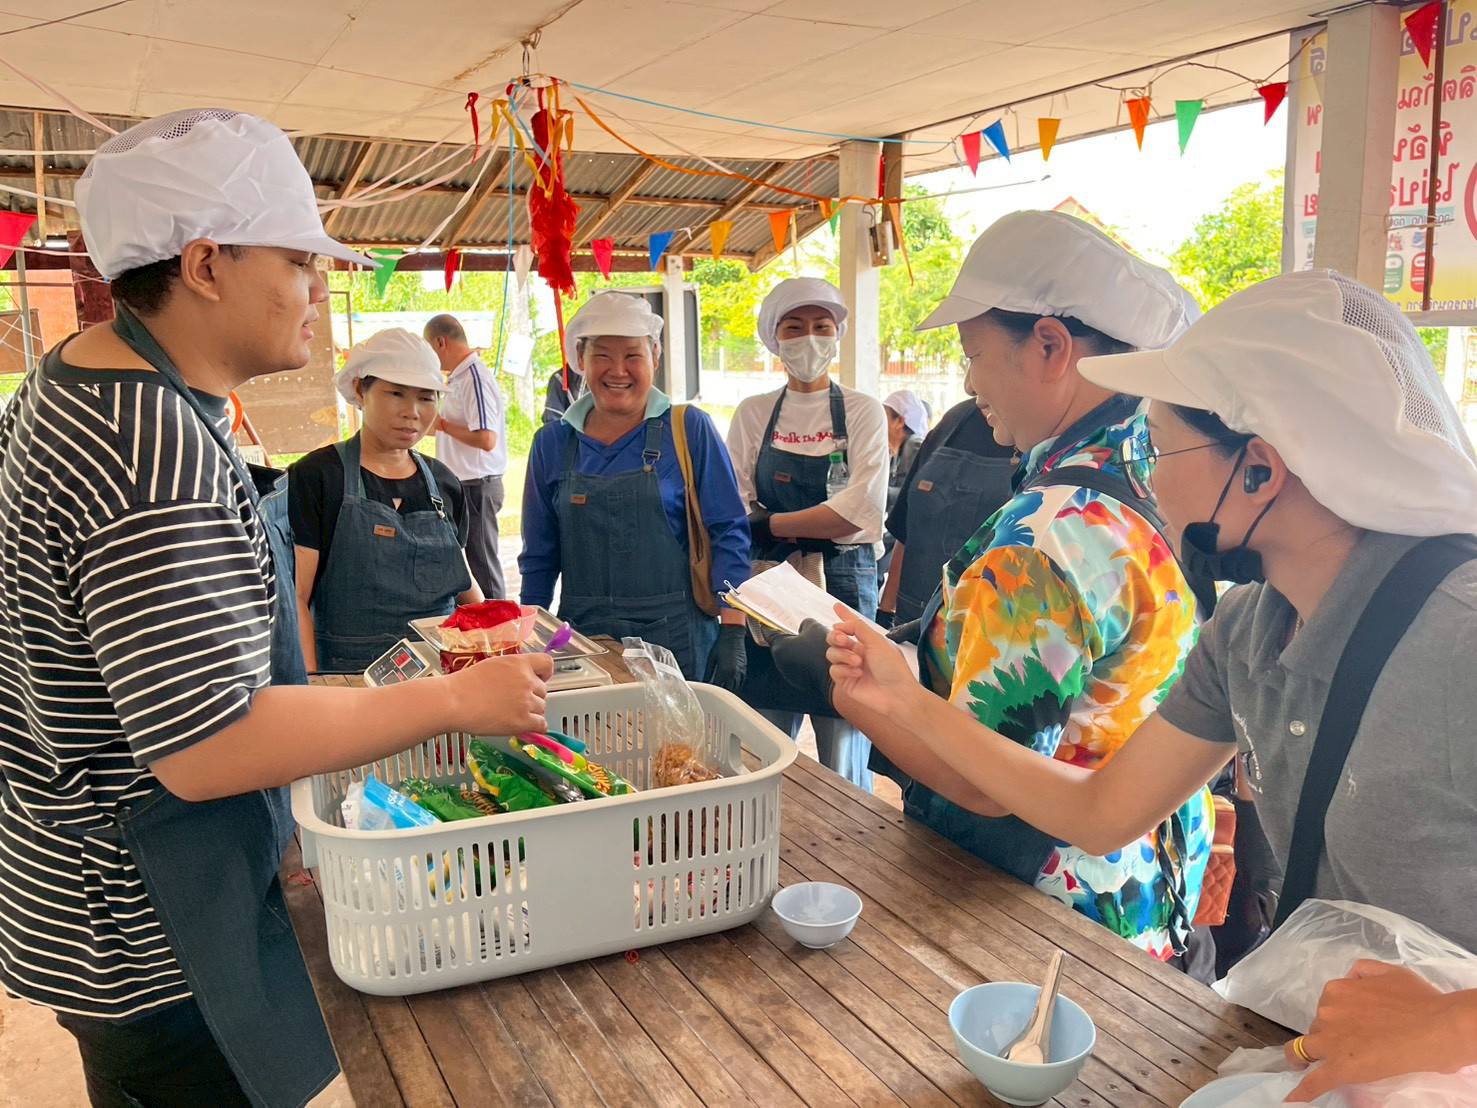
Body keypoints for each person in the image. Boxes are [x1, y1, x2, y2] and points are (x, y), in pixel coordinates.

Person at [0, 108, 552, 1108]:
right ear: (205, 265)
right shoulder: (150, 446)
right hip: (150, 924)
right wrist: (452, 703)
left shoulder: (80, 380)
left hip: (107, 889)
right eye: (298, 261)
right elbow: (207, 745)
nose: (317, 288)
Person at [826, 269, 1477, 1098]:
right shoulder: (1247, 630)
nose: (1146, 477)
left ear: (1258, 471)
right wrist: (904, 702)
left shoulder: (1457, 637)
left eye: (1159, 448)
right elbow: (1100, 814)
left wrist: (1450, 1023)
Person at [796, 211, 1213, 964]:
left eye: (975, 354)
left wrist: (852, 693)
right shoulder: (1165, 474)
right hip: (1148, 891)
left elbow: (987, 783)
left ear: (1050, 346)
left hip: (1045, 924)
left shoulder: (1048, 535)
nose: (968, 382)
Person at [519, 293, 751, 686]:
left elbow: (729, 530)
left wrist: (733, 629)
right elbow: (539, 557)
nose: (618, 370)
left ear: (655, 357)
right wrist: (530, 636)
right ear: (581, 359)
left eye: (632, 355)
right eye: (602, 356)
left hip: (678, 638)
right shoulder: (552, 443)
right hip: (584, 641)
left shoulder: (689, 429)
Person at [726, 277, 890, 791]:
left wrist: (771, 524)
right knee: (766, 739)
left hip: (843, 585)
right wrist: (809, 522)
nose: (809, 339)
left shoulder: (862, 410)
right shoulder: (754, 412)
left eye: (822, 326)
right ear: (774, 339)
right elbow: (735, 505)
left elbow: (859, 511)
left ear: (837, 335)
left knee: (846, 731)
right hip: (768, 590)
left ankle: (854, 835)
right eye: (794, 328)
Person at [290, 328, 482, 673]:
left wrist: (495, 643)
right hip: (351, 676)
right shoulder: (318, 476)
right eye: (396, 393)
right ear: (360, 390)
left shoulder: (443, 481)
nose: (412, 412)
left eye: (426, 398)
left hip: (444, 671)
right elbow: (297, 597)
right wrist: (313, 681)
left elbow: (463, 581)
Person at [878, 396, 1017, 626]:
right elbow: (906, 529)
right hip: (911, 619)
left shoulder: (1043, 437)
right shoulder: (954, 420)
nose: (970, 387)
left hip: (985, 630)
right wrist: (886, 611)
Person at [424, 313, 508, 599]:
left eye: (430, 349)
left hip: (477, 484)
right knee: (467, 566)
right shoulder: (458, 377)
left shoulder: (474, 377)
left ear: (440, 342)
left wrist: (443, 425)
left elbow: (486, 438)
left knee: (483, 567)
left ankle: (500, 621)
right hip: (462, 483)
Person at [876, 388, 930, 588]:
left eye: (883, 417)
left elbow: (914, 495)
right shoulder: (896, 450)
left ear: (899, 421)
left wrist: (875, 494)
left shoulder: (915, 446)